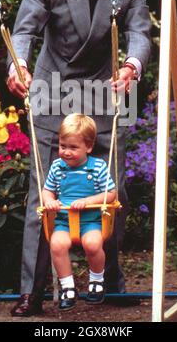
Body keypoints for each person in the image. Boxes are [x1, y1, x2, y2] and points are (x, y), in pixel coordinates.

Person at [8, 0, 152, 317]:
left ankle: (111, 284)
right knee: (44, 197)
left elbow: (140, 34)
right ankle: (31, 292)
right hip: (52, 90)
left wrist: (131, 67)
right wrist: (18, 65)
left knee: (114, 194)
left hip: (104, 94)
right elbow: (23, 31)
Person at [43, 113, 116, 310]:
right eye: (63, 146)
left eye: (73, 147)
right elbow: (47, 190)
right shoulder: (57, 167)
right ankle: (68, 288)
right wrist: (49, 201)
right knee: (57, 245)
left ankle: (96, 282)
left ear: (89, 147)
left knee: (92, 244)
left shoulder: (98, 167)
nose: (66, 152)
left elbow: (111, 194)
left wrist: (88, 200)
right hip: (63, 222)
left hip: (91, 221)